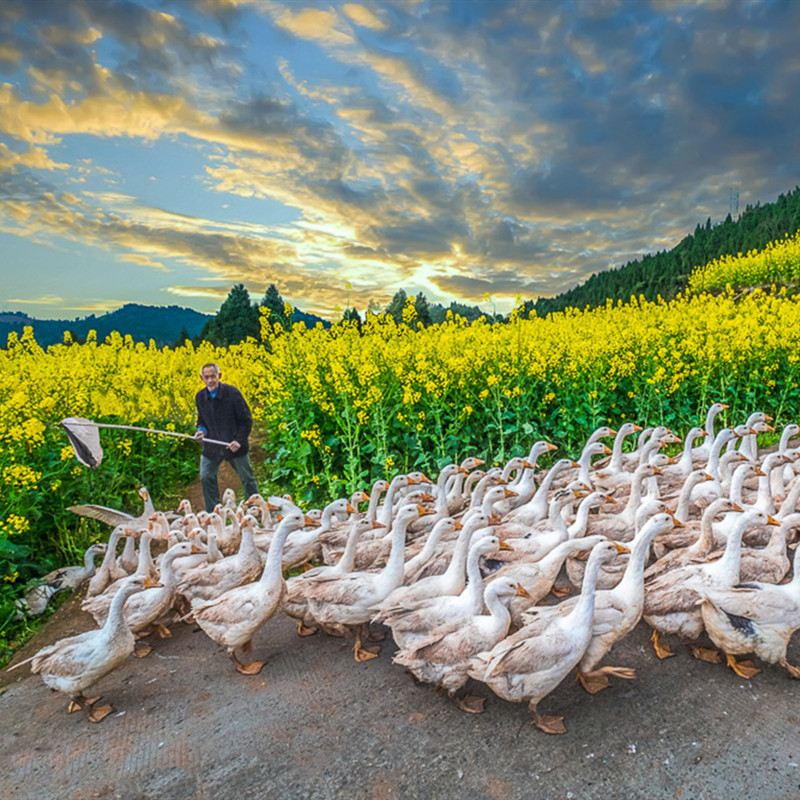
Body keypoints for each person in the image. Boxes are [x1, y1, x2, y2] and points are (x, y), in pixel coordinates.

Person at [193, 362, 259, 512]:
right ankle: (214, 512)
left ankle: (256, 510)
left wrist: (239, 440)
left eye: (213, 376)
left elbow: (246, 420)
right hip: (211, 447)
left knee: (247, 478)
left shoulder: (233, 394)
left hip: (234, 445)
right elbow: (201, 421)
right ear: (202, 378)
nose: (210, 380)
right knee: (206, 476)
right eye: (206, 377)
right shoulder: (200, 397)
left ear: (219, 376)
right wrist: (201, 431)